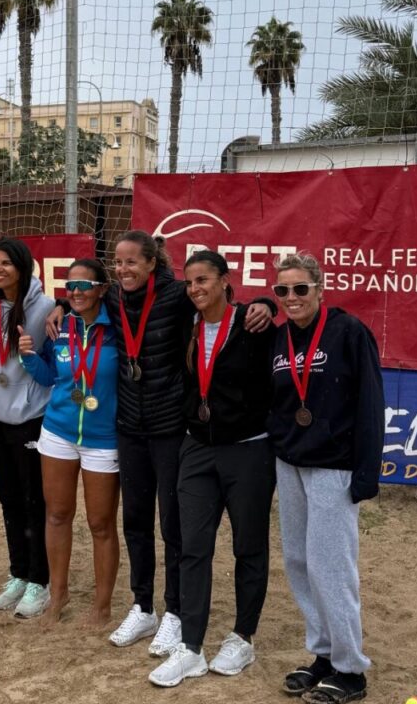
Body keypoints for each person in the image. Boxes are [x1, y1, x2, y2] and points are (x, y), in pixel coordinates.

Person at [47, 231, 274, 657]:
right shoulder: (113, 298)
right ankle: (143, 604)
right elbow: (84, 299)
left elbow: (220, 302)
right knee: (134, 519)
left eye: (132, 261)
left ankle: (174, 612)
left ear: (152, 263)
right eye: (118, 262)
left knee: (173, 525)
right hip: (128, 428)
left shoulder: (177, 295)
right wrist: (61, 305)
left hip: (171, 427)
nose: (123, 269)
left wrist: (267, 302)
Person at [149, 251, 276, 687]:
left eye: (203, 280)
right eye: (190, 283)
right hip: (197, 448)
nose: (195, 289)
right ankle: (191, 647)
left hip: (248, 450)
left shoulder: (254, 325)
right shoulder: (188, 323)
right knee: (191, 546)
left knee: (248, 546)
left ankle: (243, 636)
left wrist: (269, 302)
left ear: (224, 280)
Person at [268, 252, 384, 704]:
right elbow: (277, 402)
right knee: (298, 560)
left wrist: (366, 473)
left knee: (331, 566)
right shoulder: (279, 338)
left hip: (334, 465)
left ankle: (351, 669)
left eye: (301, 289)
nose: (292, 298)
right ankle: (323, 654)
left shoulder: (349, 332)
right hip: (291, 463)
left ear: (320, 288)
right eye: (283, 290)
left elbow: (370, 402)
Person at [18, 258, 120, 627]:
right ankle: (57, 597)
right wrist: (29, 358)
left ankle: (102, 606)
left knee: (101, 524)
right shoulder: (60, 328)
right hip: (58, 432)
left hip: (103, 438)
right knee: (58, 515)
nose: (75, 293)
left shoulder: (118, 328)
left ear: (102, 289)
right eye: (69, 288)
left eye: (84, 286)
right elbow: (51, 378)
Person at [0, 237, 58, 619]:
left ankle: (40, 581)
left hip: (31, 416)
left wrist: (59, 307)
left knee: (34, 501)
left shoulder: (45, 307)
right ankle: (18, 573)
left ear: (24, 266)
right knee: (8, 499)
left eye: (6, 263)